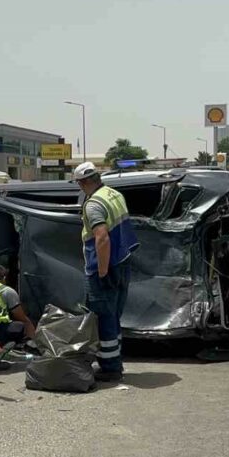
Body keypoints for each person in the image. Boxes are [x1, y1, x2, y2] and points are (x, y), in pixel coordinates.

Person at [72, 161, 139, 381]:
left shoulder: (93, 204)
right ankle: (115, 360)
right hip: (123, 262)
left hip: (105, 267)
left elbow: (101, 238)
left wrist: (101, 271)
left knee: (104, 318)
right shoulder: (114, 194)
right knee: (114, 315)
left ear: (83, 183)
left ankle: (110, 368)